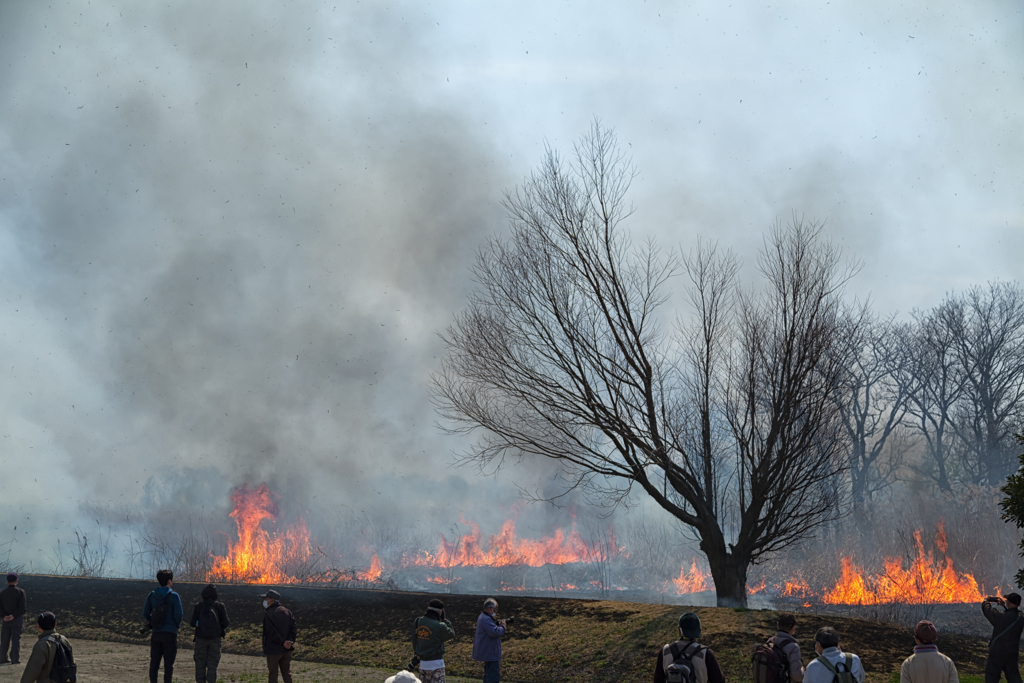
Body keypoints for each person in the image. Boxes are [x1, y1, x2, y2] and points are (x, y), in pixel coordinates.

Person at [653, 612, 726, 683]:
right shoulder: (706, 654)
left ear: (679, 630)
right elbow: (719, 680)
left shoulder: (665, 651)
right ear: (699, 631)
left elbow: (657, 680)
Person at [142, 568, 184, 683]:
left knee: (154, 663)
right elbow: (179, 614)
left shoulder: (152, 595)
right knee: (168, 665)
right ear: (169, 581)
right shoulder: (174, 596)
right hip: (170, 634)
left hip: (156, 634)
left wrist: (153, 623)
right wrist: (176, 626)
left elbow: (145, 612)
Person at [190, 583, 230, 683]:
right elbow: (226, 623)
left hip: (200, 640)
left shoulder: (198, 606)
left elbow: (192, 623)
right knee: (212, 667)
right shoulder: (220, 606)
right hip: (215, 640)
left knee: (200, 666)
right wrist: (218, 628)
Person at [18, 611, 73, 683]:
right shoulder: (65, 640)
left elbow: (32, 671)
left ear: (38, 626)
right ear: (55, 625)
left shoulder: (42, 644)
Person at [982, 593, 1024, 683]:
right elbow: (1011, 617)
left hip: (997, 652)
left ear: (1008, 602)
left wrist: (986, 601)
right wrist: (1004, 607)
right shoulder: (1021, 617)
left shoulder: (1001, 617)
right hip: (1012, 652)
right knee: (1013, 676)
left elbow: (989, 612)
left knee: (992, 676)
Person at [412, 598, 456, 683]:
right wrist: (444, 620)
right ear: (440, 611)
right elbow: (451, 634)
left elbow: (414, 640)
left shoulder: (417, 621)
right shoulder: (440, 626)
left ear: (428, 608)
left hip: (423, 664)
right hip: (436, 665)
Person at [260, 589, 297, 683]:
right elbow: (293, 628)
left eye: (266, 598)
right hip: (287, 650)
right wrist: (289, 641)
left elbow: (270, 631)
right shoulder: (288, 612)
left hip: (273, 650)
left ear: (272, 599)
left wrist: (282, 642)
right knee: (286, 672)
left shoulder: (269, 613)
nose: (264, 600)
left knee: (273, 674)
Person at [472, 598, 508, 683]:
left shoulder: (483, 617)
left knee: (488, 676)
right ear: (490, 608)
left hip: (488, 652)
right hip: (491, 653)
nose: (496, 612)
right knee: (493, 677)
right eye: (495, 609)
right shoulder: (485, 619)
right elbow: (495, 632)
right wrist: (503, 626)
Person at [769, 613, 804, 683]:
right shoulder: (793, 647)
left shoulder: (769, 642)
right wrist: (803, 670)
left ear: (777, 625)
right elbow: (797, 676)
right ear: (793, 628)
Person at [1, 572, 27, 665]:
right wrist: (14, 615)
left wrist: (4, 616)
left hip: (5, 620)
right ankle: (14, 658)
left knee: (4, 639)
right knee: (16, 639)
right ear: (17, 580)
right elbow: (22, 608)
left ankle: (2, 657)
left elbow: (0, 607)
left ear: (7, 581)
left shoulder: (3, 593)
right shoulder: (20, 592)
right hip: (16, 620)